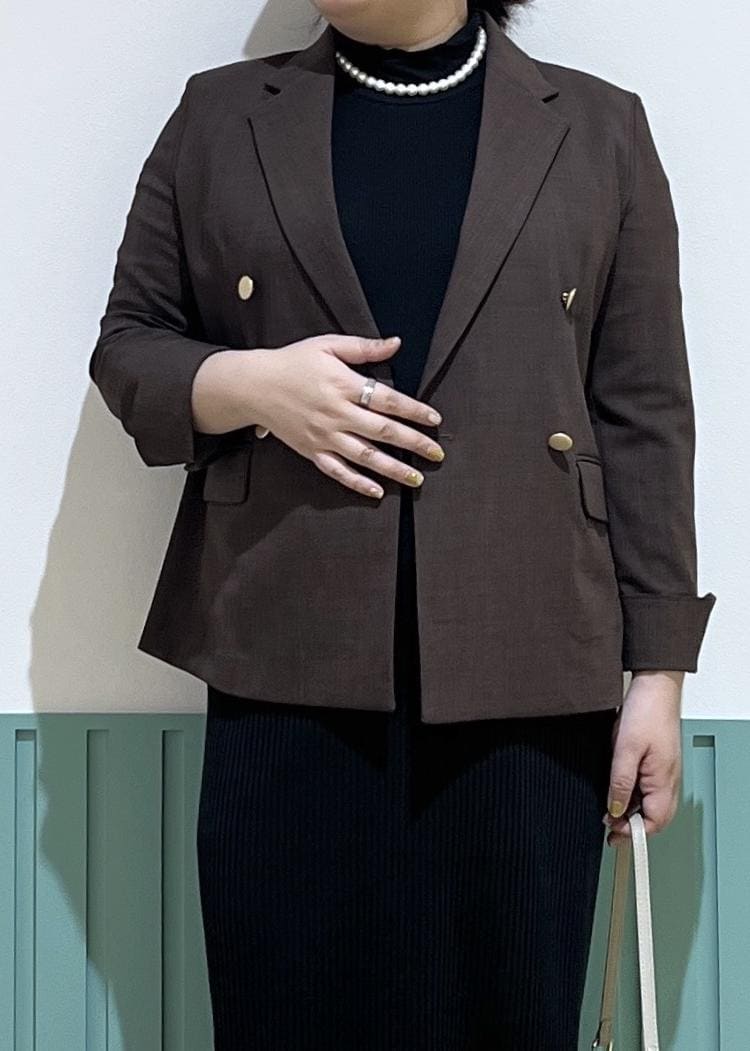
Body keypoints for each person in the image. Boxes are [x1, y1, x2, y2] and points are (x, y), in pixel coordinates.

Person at [88, 2, 716, 1047]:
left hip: (528, 670)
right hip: (282, 656)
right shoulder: (222, 116)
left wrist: (658, 675)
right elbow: (130, 346)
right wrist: (253, 385)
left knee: (508, 1011)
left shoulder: (600, 128)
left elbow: (644, 412)